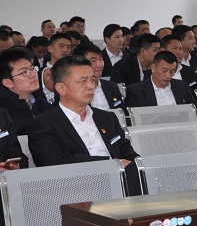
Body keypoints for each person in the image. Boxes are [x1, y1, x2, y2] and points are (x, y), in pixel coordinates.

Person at [27, 56, 139, 184]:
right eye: (83, 81)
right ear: (61, 88)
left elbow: (127, 153)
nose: (91, 86)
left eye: (92, 79)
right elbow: (55, 163)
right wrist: (111, 164)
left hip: (120, 182)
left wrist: (138, 165)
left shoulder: (107, 118)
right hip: (76, 186)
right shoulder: (43, 124)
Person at [0, 46, 52, 134]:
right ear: (7, 83)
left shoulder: (44, 106)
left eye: (32, 69)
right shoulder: (2, 111)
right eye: (24, 72)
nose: (33, 75)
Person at [125, 51, 197, 107]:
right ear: (153, 68)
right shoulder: (136, 91)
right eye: (164, 71)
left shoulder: (181, 86)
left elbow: (194, 109)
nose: (168, 75)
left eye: (172, 72)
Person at [72, 44, 126, 112]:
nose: (99, 65)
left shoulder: (111, 86)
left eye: (100, 59)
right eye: (93, 61)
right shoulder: (75, 90)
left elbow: (121, 109)